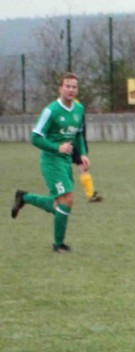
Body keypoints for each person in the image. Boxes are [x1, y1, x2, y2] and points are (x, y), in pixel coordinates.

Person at [11, 73, 89, 253]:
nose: (71, 90)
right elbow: (35, 138)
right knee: (67, 200)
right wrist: (57, 147)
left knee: (60, 204)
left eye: (74, 87)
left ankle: (25, 197)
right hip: (51, 161)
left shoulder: (79, 109)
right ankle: (58, 244)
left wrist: (82, 155)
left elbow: (78, 135)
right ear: (60, 89)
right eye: (67, 86)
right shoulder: (51, 111)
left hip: (66, 161)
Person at [73, 111, 102, 203]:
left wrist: (83, 149)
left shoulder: (78, 107)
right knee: (82, 167)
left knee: (83, 167)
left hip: (78, 144)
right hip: (70, 144)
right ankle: (90, 194)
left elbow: (81, 131)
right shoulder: (70, 107)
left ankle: (90, 194)